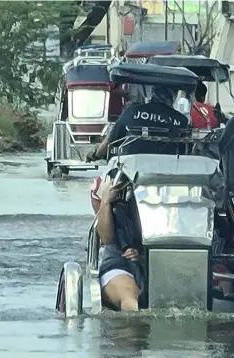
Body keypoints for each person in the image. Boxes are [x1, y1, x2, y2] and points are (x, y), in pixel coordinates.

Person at [86, 85, 189, 162]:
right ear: (172, 97)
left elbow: (110, 142)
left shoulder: (131, 112)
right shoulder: (181, 120)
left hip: (132, 168)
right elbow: (185, 150)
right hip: (169, 169)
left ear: (151, 95)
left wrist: (95, 155)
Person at [92, 171, 144, 311]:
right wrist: (106, 201)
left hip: (160, 260)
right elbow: (107, 239)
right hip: (120, 261)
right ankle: (130, 329)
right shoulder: (111, 178)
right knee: (128, 295)